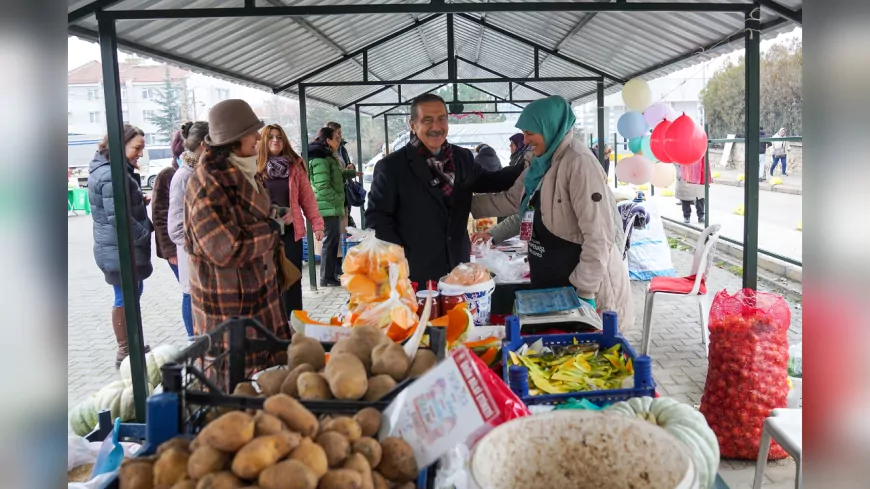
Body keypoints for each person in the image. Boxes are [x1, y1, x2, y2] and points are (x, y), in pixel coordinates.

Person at [469, 96, 633, 327]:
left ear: (549, 127)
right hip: (550, 279)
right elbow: (516, 203)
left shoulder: (579, 163)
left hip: (579, 285)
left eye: (530, 133)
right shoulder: (539, 163)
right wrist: (462, 205)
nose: (525, 140)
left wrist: (585, 292)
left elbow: (599, 235)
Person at [365, 93, 524, 285]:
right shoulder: (391, 167)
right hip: (414, 274)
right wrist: (399, 259)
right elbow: (377, 219)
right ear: (413, 125)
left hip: (458, 268)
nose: (436, 127)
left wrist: (529, 164)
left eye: (442, 119)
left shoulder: (462, 158)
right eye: (427, 120)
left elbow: (495, 181)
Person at [184, 99, 290, 365]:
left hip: (261, 295)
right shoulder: (206, 182)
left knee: (268, 378)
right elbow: (225, 248)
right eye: (251, 132)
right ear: (232, 139)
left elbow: (249, 212)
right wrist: (272, 228)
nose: (258, 137)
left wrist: (274, 212)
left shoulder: (247, 169)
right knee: (236, 386)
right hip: (228, 306)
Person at [87, 124, 153, 368]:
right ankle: (125, 349)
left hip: (117, 248)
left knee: (131, 295)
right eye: (137, 148)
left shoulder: (113, 170)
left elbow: (120, 206)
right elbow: (119, 217)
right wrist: (144, 234)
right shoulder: (110, 175)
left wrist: (139, 200)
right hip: (118, 250)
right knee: (124, 297)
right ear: (120, 144)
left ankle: (132, 342)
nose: (140, 153)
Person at [259, 123, 325, 312]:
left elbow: (307, 198)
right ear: (264, 140)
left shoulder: (295, 164)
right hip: (265, 235)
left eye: (279, 137)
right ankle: (276, 327)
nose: (275, 140)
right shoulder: (255, 166)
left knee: (293, 279)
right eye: (271, 136)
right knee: (270, 282)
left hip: (291, 233)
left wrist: (317, 225)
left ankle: (294, 324)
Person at [168, 121, 209, 343]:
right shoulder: (183, 176)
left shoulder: (202, 172)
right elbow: (174, 226)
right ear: (204, 145)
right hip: (192, 253)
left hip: (204, 253)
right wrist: (198, 246)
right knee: (190, 295)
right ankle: (193, 343)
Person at [309, 126, 359, 287]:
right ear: (328, 141)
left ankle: (329, 275)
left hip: (330, 205)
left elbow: (336, 175)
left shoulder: (328, 156)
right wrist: (337, 198)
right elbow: (322, 185)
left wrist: (351, 173)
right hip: (327, 207)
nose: (339, 141)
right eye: (337, 138)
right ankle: (326, 277)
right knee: (329, 242)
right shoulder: (320, 159)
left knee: (332, 241)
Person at [151, 129, 181, 325]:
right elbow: (159, 216)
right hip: (176, 248)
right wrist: (170, 250)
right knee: (190, 293)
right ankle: (193, 339)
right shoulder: (168, 175)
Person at [327, 121, 357, 228]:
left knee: (345, 220)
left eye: (341, 133)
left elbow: (346, 163)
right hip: (335, 195)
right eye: (337, 133)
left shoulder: (342, 148)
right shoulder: (326, 152)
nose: (340, 136)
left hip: (344, 189)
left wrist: (351, 167)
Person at [676, 157, 707, 224]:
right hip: (684, 170)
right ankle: (686, 216)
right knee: (685, 194)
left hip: (697, 169)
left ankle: (701, 215)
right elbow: (675, 156)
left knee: (699, 194)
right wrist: (679, 170)